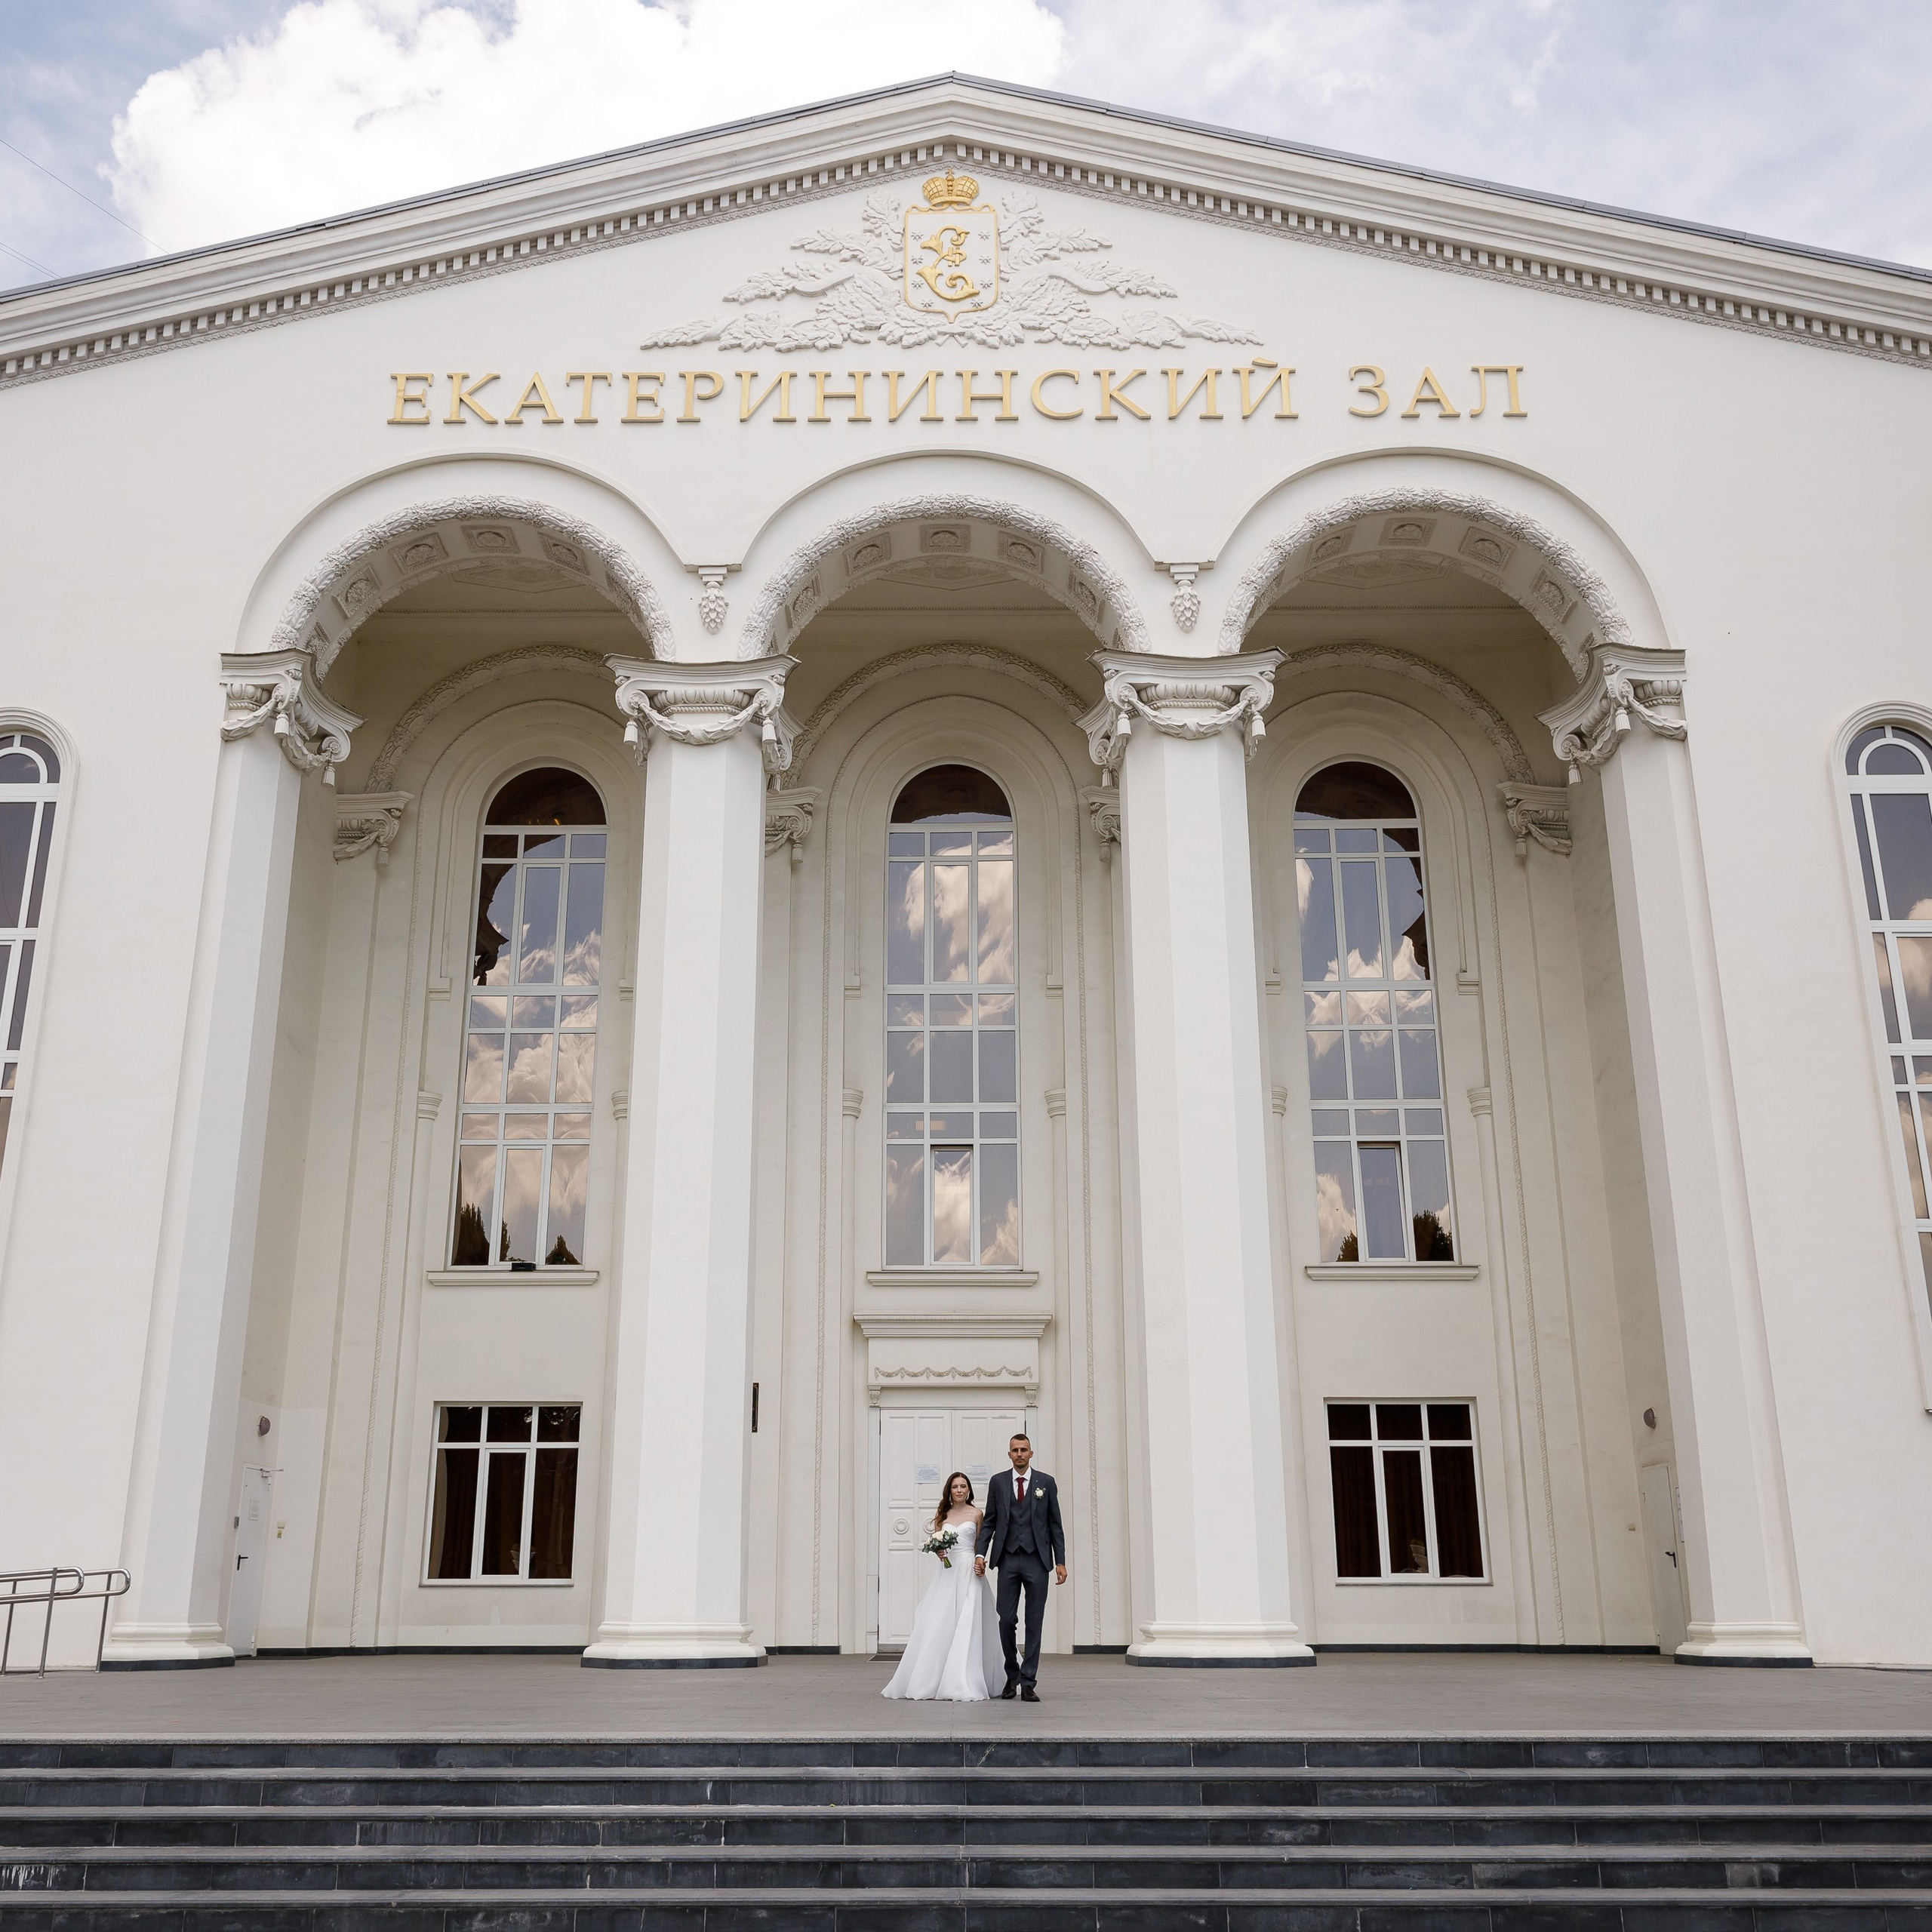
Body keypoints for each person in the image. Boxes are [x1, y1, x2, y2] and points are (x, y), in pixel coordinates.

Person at [880, 1472, 1005, 1702]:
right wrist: (939, 1551)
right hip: (948, 1572)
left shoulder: (977, 1514)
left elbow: (981, 1543)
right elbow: (938, 1542)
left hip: (969, 1569)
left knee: (969, 1619)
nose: (959, 1490)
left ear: (969, 1490)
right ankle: (935, 1678)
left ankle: (967, 1678)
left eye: (963, 1486)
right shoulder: (942, 1515)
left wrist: (981, 1561)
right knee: (941, 1620)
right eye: (955, 1487)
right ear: (949, 1491)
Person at [974, 1432, 1066, 1702]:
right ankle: (1011, 1675)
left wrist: (1060, 1561)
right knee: (1005, 1619)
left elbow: (1055, 1525)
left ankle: (1028, 1682)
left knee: (1034, 1621)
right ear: (1009, 1454)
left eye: (1024, 1450)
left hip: (1037, 1559)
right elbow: (990, 1522)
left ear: (1031, 1453)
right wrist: (980, 1553)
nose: (1019, 1454)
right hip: (1008, 1559)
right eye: (1015, 1450)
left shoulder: (1045, 1483)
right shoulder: (998, 1482)